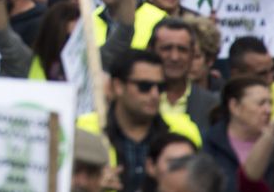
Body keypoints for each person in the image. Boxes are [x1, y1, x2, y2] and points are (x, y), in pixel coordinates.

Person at [76, 50, 202, 192]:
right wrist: (93, 184)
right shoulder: (84, 131)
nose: (154, 94)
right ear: (118, 86)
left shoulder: (184, 131)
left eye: (160, 87)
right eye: (144, 86)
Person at [200, 77, 272, 189]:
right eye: (261, 103)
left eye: (270, 103)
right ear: (234, 106)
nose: (268, 110)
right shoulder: (206, 144)